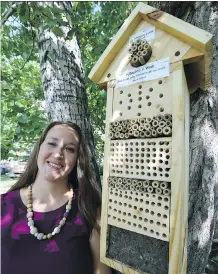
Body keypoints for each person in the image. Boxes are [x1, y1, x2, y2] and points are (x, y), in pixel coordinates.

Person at [1, 121, 111, 274]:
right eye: (52, 143)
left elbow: (101, 271)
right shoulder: (4, 206)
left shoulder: (89, 208)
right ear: (39, 147)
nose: (58, 154)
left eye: (70, 149)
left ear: (77, 159)